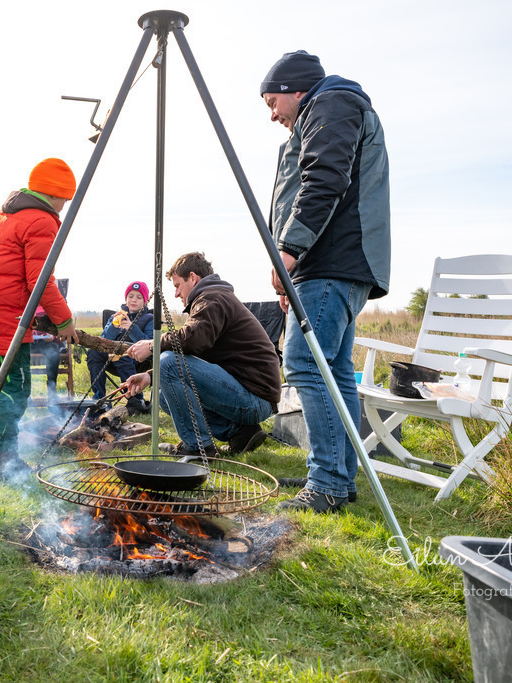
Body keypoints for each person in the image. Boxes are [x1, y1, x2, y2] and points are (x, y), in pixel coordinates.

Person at [260, 50, 391, 513]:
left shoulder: (331, 104)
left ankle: (329, 482)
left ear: (295, 89)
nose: (272, 113)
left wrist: (289, 252)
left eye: (272, 101)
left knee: (304, 363)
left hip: (331, 261)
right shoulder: (324, 110)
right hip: (331, 265)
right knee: (334, 374)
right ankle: (335, 473)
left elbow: (323, 180)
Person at [0, 158, 80, 480]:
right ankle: (4, 457)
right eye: (64, 200)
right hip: (5, 313)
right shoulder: (42, 220)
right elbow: (41, 280)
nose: (63, 207)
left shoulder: (4, 215)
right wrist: (64, 320)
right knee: (14, 387)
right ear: (56, 196)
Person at [123, 253, 280, 457]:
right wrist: (150, 376)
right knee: (163, 397)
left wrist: (152, 345)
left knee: (168, 361)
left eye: (178, 285)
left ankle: (198, 447)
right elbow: (199, 354)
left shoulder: (211, 298)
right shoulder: (213, 297)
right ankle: (241, 433)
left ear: (193, 277)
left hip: (254, 398)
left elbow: (193, 340)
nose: (176, 294)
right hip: (251, 394)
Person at [86, 281, 154, 415]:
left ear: (145, 301)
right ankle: (100, 399)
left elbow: (149, 343)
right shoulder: (116, 316)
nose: (134, 300)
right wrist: (113, 327)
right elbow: (103, 341)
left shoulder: (149, 318)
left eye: (139, 297)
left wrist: (132, 328)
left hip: (137, 360)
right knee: (94, 352)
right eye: (131, 296)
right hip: (111, 359)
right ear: (126, 298)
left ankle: (136, 400)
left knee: (121, 354)